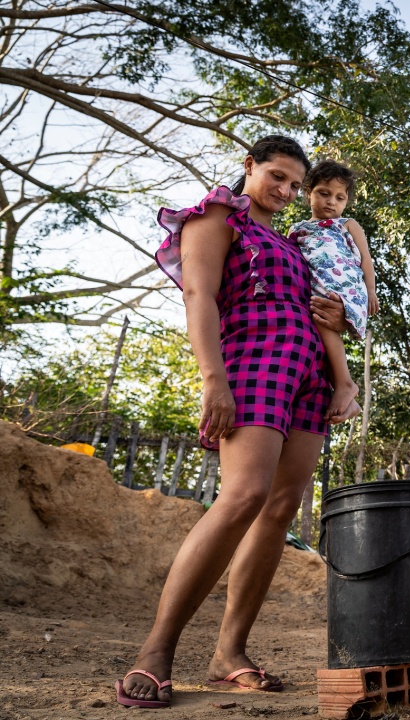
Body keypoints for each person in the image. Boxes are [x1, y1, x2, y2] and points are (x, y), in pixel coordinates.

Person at [116, 135, 356, 708]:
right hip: (253, 362)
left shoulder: (293, 241)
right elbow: (199, 295)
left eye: (296, 185)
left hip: (308, 376)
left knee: (279, 508)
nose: (286, 191)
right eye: (277, 176)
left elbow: (322, 304)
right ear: (249, 166)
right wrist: (211, 379)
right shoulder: (217, 216)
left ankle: (230, 653)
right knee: (243, 495)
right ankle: (155, 652)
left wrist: (340, 335)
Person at [288, 160, 379, 423]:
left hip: (344, 285)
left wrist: (371, 291)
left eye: (339, 197)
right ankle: (345, 395)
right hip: (316, 285)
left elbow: (365, 259)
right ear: (308, 193)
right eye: (324, 193)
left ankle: (346, 384)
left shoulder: (348, 224)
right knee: (317, 332)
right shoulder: (297, 229)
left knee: (324, 322)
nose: (331, 202)